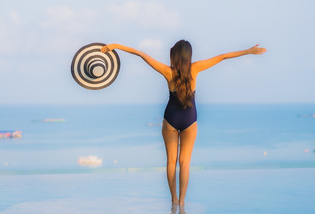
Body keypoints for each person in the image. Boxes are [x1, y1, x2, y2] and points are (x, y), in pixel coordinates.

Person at [101, 40, 266, 205]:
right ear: (189, 55)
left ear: (174, 55)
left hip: (170, 119)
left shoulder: (167, 71)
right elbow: (222, 57)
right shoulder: (195, 68)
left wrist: (116, 46)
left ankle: (173, 199)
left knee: (171, 162)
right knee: (184, 163)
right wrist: (249, 51)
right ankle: (182, 202)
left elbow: (142, 54)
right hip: (189, 120)